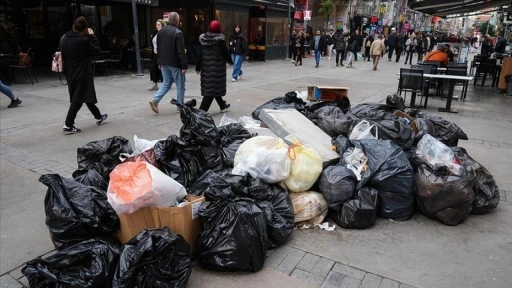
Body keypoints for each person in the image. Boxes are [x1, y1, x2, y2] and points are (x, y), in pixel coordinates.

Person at [60, 16, 107, 135]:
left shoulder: (65, 38)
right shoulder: (83, 41)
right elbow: (96, 51)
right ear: (85, 29)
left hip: (70, 72)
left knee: (86, 95)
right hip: (83, 73)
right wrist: (92, 37)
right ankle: (68, 124)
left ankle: (98, 117)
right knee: (78, 99)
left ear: (73, 26)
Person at [149, 12, 187, 114]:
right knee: (180, 85)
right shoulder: (178, 32)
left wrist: (159, 62)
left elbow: (159, 49)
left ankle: (155, 100)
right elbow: (180, 51)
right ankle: (180, 106)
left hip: (164, 62)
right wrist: (184, 66)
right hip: (175, 63)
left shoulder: (160, 32)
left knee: (166, 83)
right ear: (177, 21)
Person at [195, 20, 233, 113]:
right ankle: (201, 112)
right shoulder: (220, 40)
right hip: (218, 68)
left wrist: (198, 66)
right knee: (212, 89)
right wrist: (230, 61)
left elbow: (201, 54)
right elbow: (225, 52)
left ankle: (222, 106)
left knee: (213, 87)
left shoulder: (204, 39)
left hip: (206, 68)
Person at [148, 19, 165, 91]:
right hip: (155, 53)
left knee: (163, 69)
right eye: (156, 24)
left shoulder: (164, 33)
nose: (157, 26)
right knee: (153, 68)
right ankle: (155, 84)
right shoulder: (155, 33)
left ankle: (167, 82)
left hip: (162, 54)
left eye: (158, 25)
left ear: (162, 25)